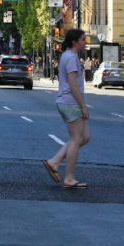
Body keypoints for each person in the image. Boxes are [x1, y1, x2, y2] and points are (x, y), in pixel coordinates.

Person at [42, 28, 91, 189]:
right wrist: (83, 106)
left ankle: (54, 161)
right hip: (70, 102)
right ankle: (69, 178)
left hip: (68, 101)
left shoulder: (69, 56)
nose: (85, 42)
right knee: (77, 140)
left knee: (85, 137)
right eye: (83, 39)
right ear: (74, 41)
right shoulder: (71, 58)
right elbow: (73, 84)